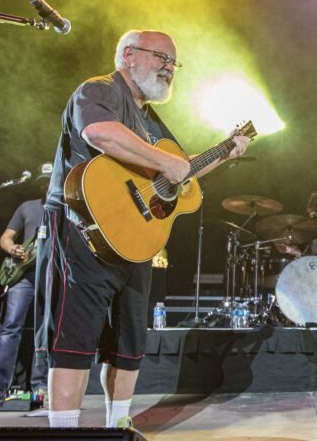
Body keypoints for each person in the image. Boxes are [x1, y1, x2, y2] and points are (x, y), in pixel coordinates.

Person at [38, 30, 249, 428]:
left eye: (174, 63)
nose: (169, 68)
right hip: (84, 228)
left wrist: (226, 151)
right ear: (129, 55)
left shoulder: (151, 119)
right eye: (161, 58)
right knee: (73, 342)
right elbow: (98, 132)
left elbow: (180, 171)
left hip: (133, 241)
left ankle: (119, 427)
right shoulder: (99, 89)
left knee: (128, 343)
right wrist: (167, 163)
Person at [0, 195, 47, 397]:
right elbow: (6, 237)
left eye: (49, 181)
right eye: (42, 182)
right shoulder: (27, 206)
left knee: (44, 331)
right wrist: (12, 248)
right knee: (10, 327)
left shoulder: (64, 205)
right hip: (23, 276)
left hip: (51, 275)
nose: (45, 186)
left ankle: (41, 384)